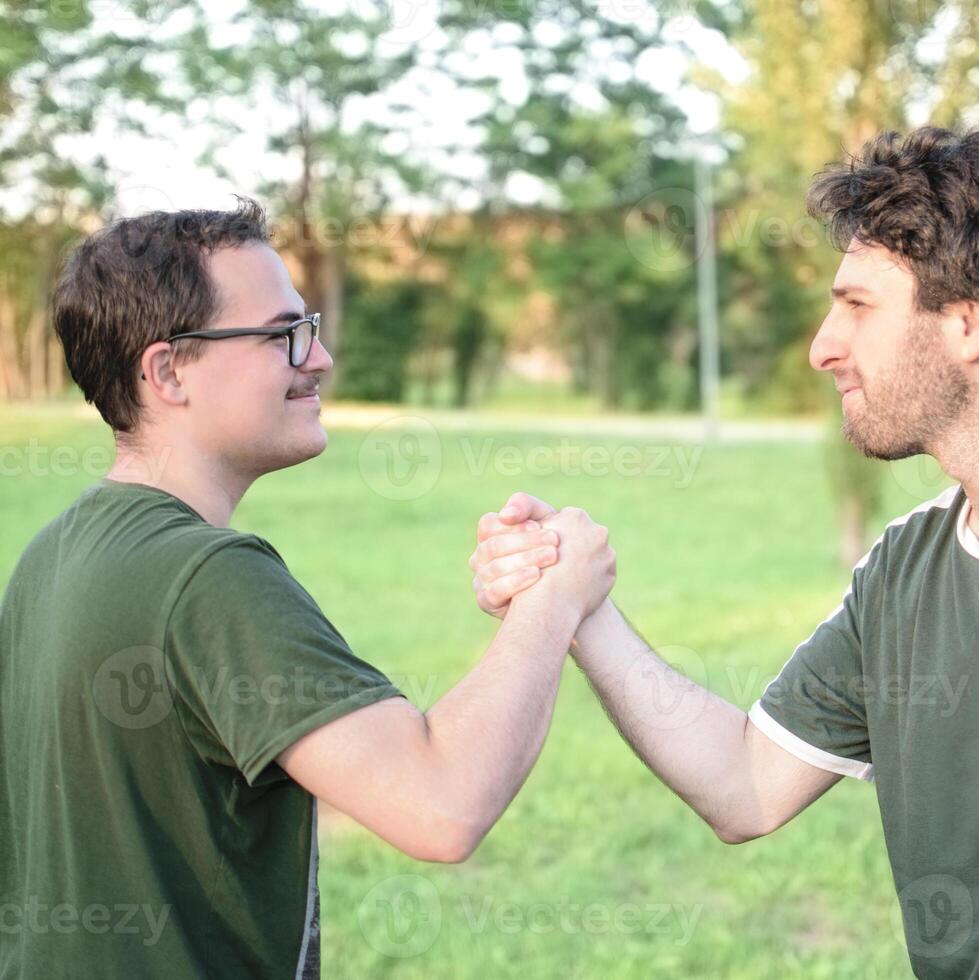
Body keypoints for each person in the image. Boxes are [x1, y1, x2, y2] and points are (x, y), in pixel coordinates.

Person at [469, 128, 979, 979]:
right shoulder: (905, 570)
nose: (823, 345)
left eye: (857, 306)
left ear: (971, 320)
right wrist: (579, 609)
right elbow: (745, 785)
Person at [0, 200, 614, 979]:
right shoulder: (207, 579)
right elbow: (442, 805)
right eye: (283, 335)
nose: (318, 359)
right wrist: (555, 600)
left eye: (310, 327)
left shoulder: (50, 555)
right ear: (166, 372)